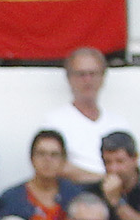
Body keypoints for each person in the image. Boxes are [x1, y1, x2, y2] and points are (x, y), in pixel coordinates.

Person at [42, 48, 118, 187]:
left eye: (93, 74)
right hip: (73, 193)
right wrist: (102, 179)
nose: (87, 80)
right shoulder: (53, 122)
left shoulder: (118, 123)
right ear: (69, 78)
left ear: (103, 78)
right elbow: (54, 165)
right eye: (81, 74)